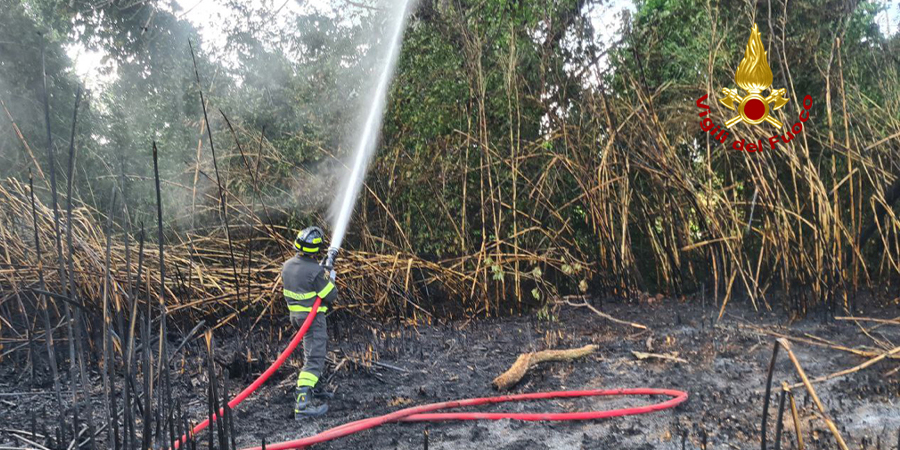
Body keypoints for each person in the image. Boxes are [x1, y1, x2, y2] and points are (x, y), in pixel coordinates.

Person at [282, 226, 337, 419]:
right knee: (314, 358)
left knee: (311, 352)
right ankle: (303, 404)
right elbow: (330, 295)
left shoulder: (287, 265)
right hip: (312, 320)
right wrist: (329, 277)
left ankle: (316, 388)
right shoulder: (315, 272)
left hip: (296, 317)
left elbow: (304, 279)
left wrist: (321, 271)